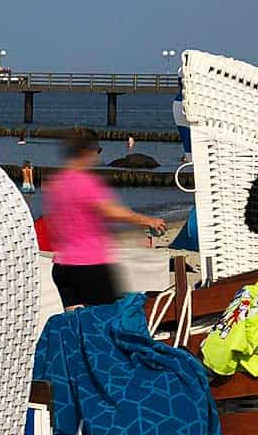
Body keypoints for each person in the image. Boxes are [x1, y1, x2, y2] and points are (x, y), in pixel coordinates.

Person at [43, 128, 167, 309]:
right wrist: (147, 220)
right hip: (89, 264)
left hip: (62, 265)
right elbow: (110, 211)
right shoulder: (84, 182)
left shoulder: (56, 182)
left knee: (77, 323)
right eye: (98, 150)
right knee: (107, 318)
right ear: (87, 152)